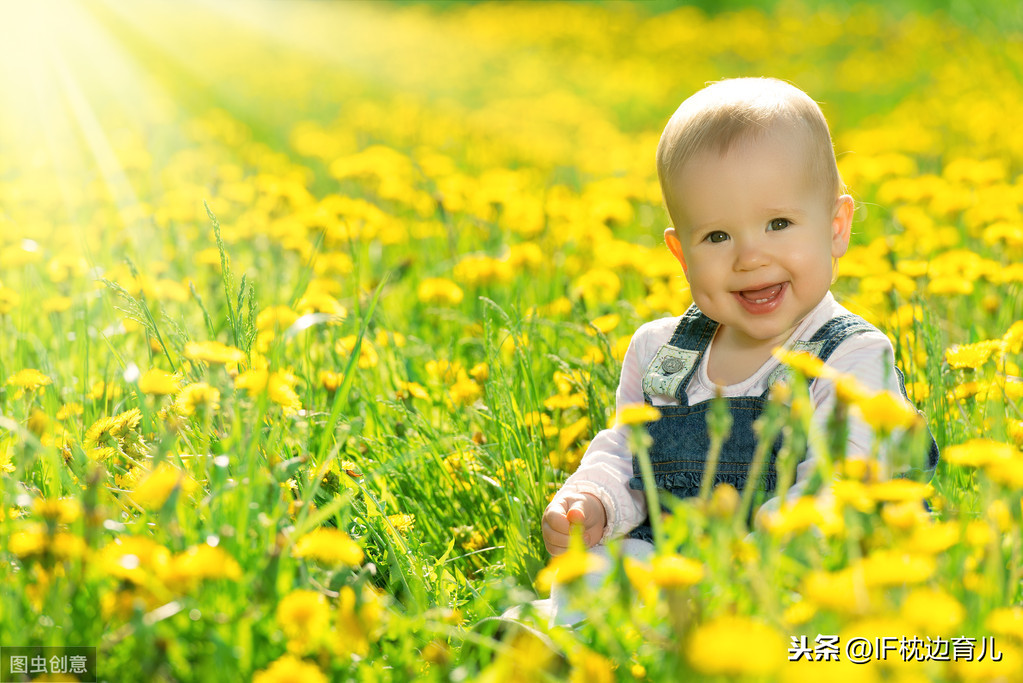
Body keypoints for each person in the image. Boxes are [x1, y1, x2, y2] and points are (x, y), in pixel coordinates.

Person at [540, 77, 939, 623]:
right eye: (717, 237)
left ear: (835, 227)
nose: (750, 256)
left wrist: (747, 571)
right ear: (681, 254)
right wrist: (592, 502)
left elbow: (837, 487)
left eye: (779, 223)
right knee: (601, 567)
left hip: (800, 576)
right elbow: (626, 456)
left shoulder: (852, 356)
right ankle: (557, 636)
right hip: (682, 567)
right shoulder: (662, 353)